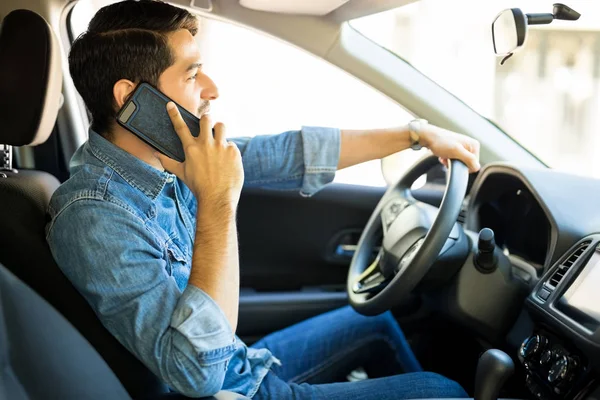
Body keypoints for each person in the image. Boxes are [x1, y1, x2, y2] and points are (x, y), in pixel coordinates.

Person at [46, 1, 481, 398]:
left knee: (378, 324)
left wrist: (417, 135)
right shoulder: (95, 217)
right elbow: (196, 374)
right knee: (440, 390)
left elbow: (285, 153)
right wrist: (218, 199)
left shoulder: (165, 157)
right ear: (131, 99)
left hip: (242, 366)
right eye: (193, 74)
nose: (212, 89)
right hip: (225, 389)